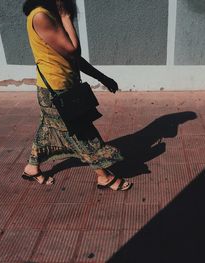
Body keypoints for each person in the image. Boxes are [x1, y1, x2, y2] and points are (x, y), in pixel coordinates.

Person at [21, 0, 132, 191]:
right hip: (55, 91)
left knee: (47, 129)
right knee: (82, 133)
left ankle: (32, 168)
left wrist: (102, 77)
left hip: (62, 87)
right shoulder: (40, 16)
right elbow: (73, 49)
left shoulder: (48, 14)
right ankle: (103, 177)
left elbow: (73, 58)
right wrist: (65, 16)